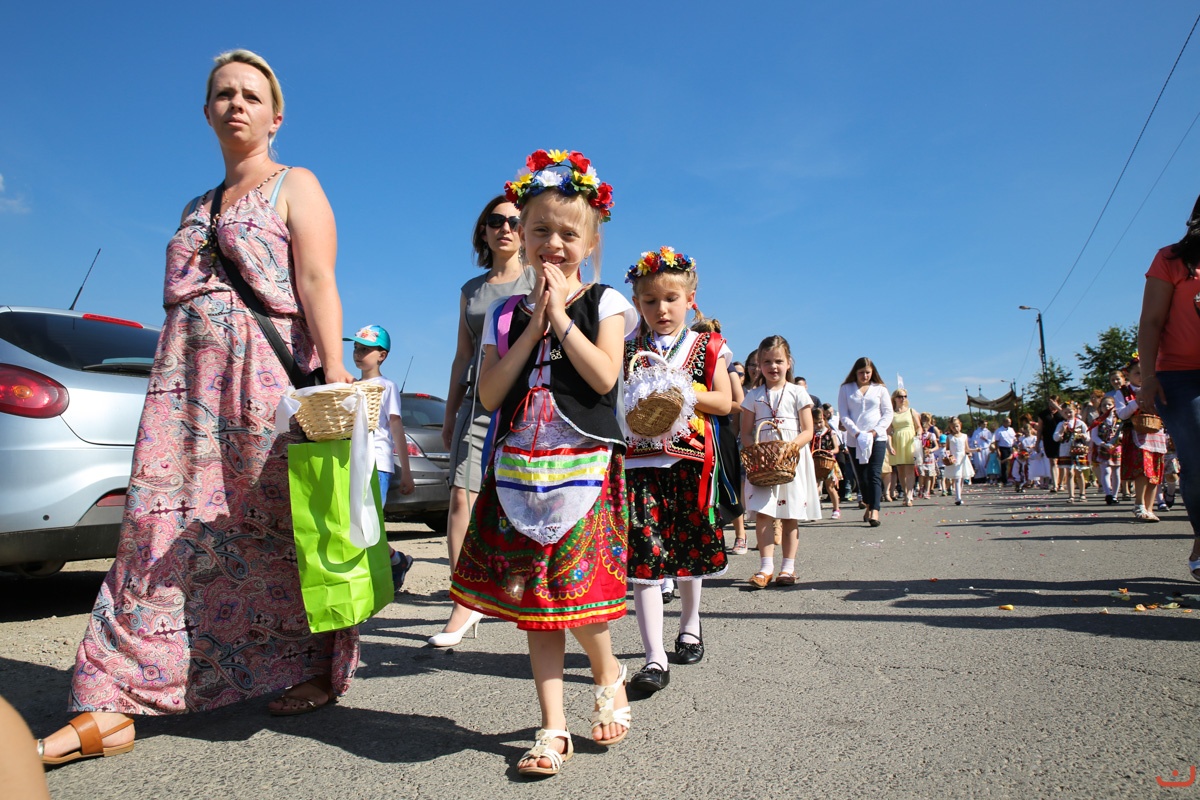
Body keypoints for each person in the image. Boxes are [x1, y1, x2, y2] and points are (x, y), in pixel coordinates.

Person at [38, 50, 358, 764]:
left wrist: (335, 371)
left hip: (263, 383)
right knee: (155, 530)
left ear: (276, 117)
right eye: (223, 94)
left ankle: (312, 665)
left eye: (251, 95)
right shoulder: (195, 206)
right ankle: (111, 695)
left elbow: (316, 279)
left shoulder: (295, 184)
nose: (236, 104)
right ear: (207, 111)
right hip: (183, 386)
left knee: (282, 530)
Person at [448, 149, 633, 777]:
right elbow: (490, 394)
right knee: (534, 598)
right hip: (520, 468)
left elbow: (604, 377)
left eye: (568, 234)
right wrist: (531, 329)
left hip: (581, 464)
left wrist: (559, 318)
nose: (553, 243)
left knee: (574, 588)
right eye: (540, 230)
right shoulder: (506, 314)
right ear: (522, 236)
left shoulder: (606, 302)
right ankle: (552, 726)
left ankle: (607, 671)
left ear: (590, 242)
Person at [622, 249, 732, 694]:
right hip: (639, 463)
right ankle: (654, 657)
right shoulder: (628, 349)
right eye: (650, 301)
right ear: (638, 303)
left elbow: (724, 402)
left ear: (690, 299)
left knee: (689, 549)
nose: (661, 309)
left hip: (690, 462)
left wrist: (680, 391)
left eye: (670, 299)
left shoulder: (708, 346)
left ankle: (690, 624)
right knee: (645, 555)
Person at [435, 196, 537, 647]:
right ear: (483, 230)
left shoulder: (538, 278)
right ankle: (464, 602)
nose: (506, 228)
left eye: (515, 221)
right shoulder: (471, 290)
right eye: (496, 221)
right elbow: (462, 356)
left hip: (526, 401)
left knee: (526, 501)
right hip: (477, 403)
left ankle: (526, 588)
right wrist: (450, 412)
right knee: (461, 497)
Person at [1138, 198, 1200, 573]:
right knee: (1198, 460)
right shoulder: (1171, 259)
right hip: (1181, 376)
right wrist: (1147, 377)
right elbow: (1151, 321)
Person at [742, 335, 817, 587]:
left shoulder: (798, 392)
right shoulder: (753, 396)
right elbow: (745, 432)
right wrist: (758, 453)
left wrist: (789, 449)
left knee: (789, 514)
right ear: (759, 365)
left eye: (778, 361)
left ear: (788, 362)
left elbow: (808, 430)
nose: (773, 366)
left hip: (791, 460)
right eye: (767, 362)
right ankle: (765, 568)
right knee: (764, 513)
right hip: (763, 462)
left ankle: (788, 568)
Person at [346, 324, 415, 591]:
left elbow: (396, 426)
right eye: (355, 347)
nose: (358, 353)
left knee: (369, 522)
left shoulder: (387, 386)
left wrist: (406, 471)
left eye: (365, 349)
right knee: (354, 522)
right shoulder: (349, 386)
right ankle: (395, 561)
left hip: (377, 462)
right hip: (352, 462)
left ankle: (382, 572)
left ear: (382, 355)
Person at [692, 320, 748, 556]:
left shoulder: (724, 362)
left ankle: (740, 534)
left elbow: (739, 402)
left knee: (726, 480)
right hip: (691, 426)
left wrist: (707, 402)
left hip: (717, 427)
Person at [837, 357, 893, 527]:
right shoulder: (846, 389)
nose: (865, 376)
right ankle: (868, 504)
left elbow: (887, 413)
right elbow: (844, 414)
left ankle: (875, 509)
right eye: (861, 372)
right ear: (855, 373)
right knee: (862, 476)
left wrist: (875, 431)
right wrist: (856, 432)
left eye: (868, 372)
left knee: (874, 473)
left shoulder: (880, 389)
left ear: (872, 372)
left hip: (877, 437)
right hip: (855, 438)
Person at [1115, 359, 1167, 520]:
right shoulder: (1123, 392)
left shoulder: (1155, 388)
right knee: (1143, 470)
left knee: (1155, 472)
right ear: (1127, 375)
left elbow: (1164, 408)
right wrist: (1136, 402)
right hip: (1137, 434)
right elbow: (1122, 414)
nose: (1141, 376)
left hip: (1156, 433)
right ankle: (1139, 504)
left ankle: (1150, 508)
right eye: (1137, 373)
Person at [887, 389, 920, 506]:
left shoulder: (911, 411)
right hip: (897, 441)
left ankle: (910, 495)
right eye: (900, 396)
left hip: (909, 440)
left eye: (905, 396)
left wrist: (918, 435)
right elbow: (889, 431)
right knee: (900, 470)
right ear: (895, 398)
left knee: (910, 468)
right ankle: (905, 493)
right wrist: (889, 445)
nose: (903, 399)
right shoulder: (891, 413)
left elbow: (918, 426)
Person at [1090, 395, 1122, 505]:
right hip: (1104, 448)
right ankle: (1108, 493)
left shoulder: (1120, 420)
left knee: (1116, 472)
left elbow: (1122, 432)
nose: (1107, 407)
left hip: (1117, 448)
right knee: (1106, 471)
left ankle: (1115, 495)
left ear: (1114, 406)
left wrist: (1118, 439)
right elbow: (1094, 436)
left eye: (1109, 404)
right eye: (1104, 405)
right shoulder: (1098, 421)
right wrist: (1103, 444)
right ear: (1100, 408)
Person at [1054, 404, 1090, 502]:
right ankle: (1071, 495)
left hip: (1078, 450)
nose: (1068, 414)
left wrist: (1083, 436)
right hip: (1066, 450)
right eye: (1065, 413)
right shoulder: (1061, 424)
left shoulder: (1080, 423)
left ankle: (1082, 493)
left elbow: (1088, 437)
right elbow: (1055, 438)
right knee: (1069, 472)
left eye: (1070, 412)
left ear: (1075, 411)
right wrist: (1062, 430)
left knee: (1079, 472)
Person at [812, 407, 843, 519]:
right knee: (815, 488)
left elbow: (836, 448)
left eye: (820, 422)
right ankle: (814, 510)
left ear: (824, 420)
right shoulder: (812, 434)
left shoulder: (830, 432)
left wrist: (831, 452)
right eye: (815, 423)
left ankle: (836, 509)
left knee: (830, 487)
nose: (818, 425)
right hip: (815, 463)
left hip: (828, 463)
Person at [942, 417, 974, 505]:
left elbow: (967, 449)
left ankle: (958, 495)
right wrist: (948, 455)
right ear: (950, 427)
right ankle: (958, 498)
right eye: (953, 427)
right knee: (957, 478)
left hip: (962, 458)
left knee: (962, 477)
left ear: (960, 425)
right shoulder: (949, 437)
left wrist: (975, 450)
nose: (955, 428)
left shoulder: (964, 436)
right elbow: (947, 449)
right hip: (954, 459)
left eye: (957, 426)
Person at [993, 417, 1017, 486]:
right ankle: (1005, 480)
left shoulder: (1011, 430)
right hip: (1003, 448)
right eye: (1008, 422)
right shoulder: (999, 430)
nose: (1010, 423)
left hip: (1011, 447)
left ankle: (1012, 479)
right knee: (1004, 465)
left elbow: (1014, 438)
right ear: (1004, 422)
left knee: (1012, 463)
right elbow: (996, 441)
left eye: (1010, 422)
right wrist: (998, 450)